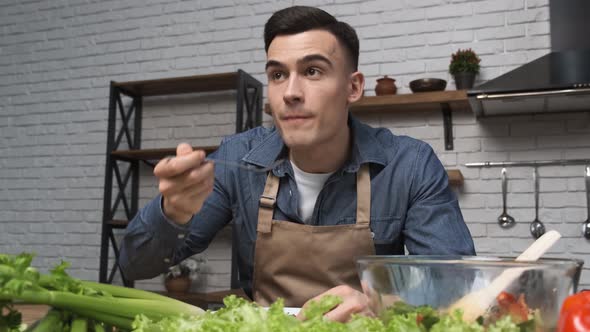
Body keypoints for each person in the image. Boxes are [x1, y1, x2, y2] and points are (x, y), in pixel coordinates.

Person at [119, 5, 475, 322]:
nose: (290, 92)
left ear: (353, 88)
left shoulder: (409, 165)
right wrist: (173, 211)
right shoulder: (235, 158)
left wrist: (382, 304)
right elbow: (136, 264)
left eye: (313, 71)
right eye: (277, 75)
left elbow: (458, 287)